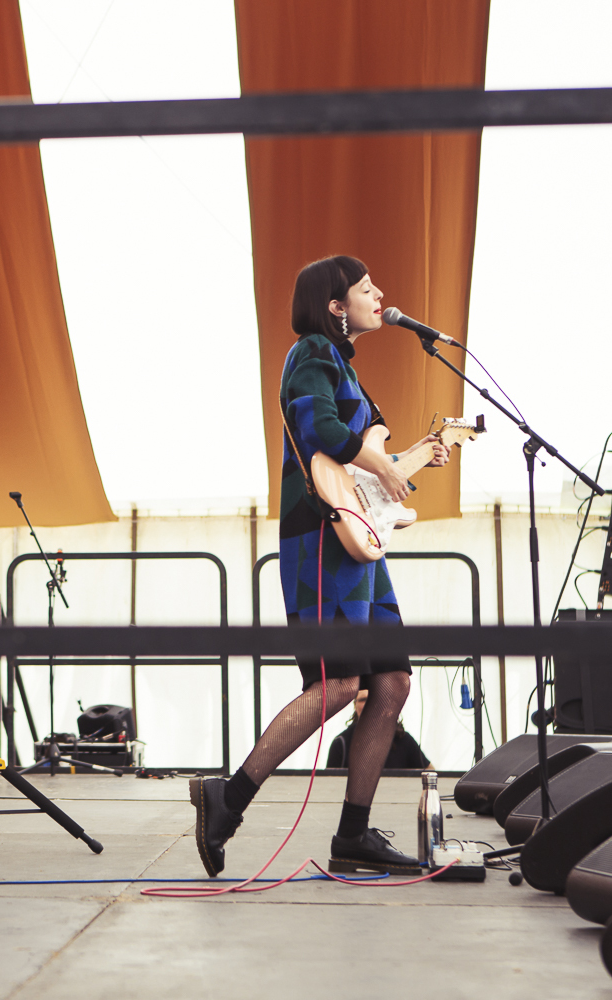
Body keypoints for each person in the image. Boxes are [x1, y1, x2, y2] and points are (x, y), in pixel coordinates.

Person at [190, 255, 449, 877]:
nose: (380, 294)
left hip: (359, 544)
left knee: (391, 683)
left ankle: (353, 835)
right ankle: (229, 797)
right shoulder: (310, 352)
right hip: (322, 544)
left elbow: (362, 463)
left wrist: (414, 455)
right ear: (336, 307)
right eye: (367, 289)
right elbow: (320, 431)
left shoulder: (343, 367)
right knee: (334, 685)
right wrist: (386, 464)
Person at [325, 688, 432, 769]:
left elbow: (431, 775)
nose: (369, 704)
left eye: (375, 698)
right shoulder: (341, 744)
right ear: (355, 705)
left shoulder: (404, 740)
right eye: (363, 700)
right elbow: (328, 787)